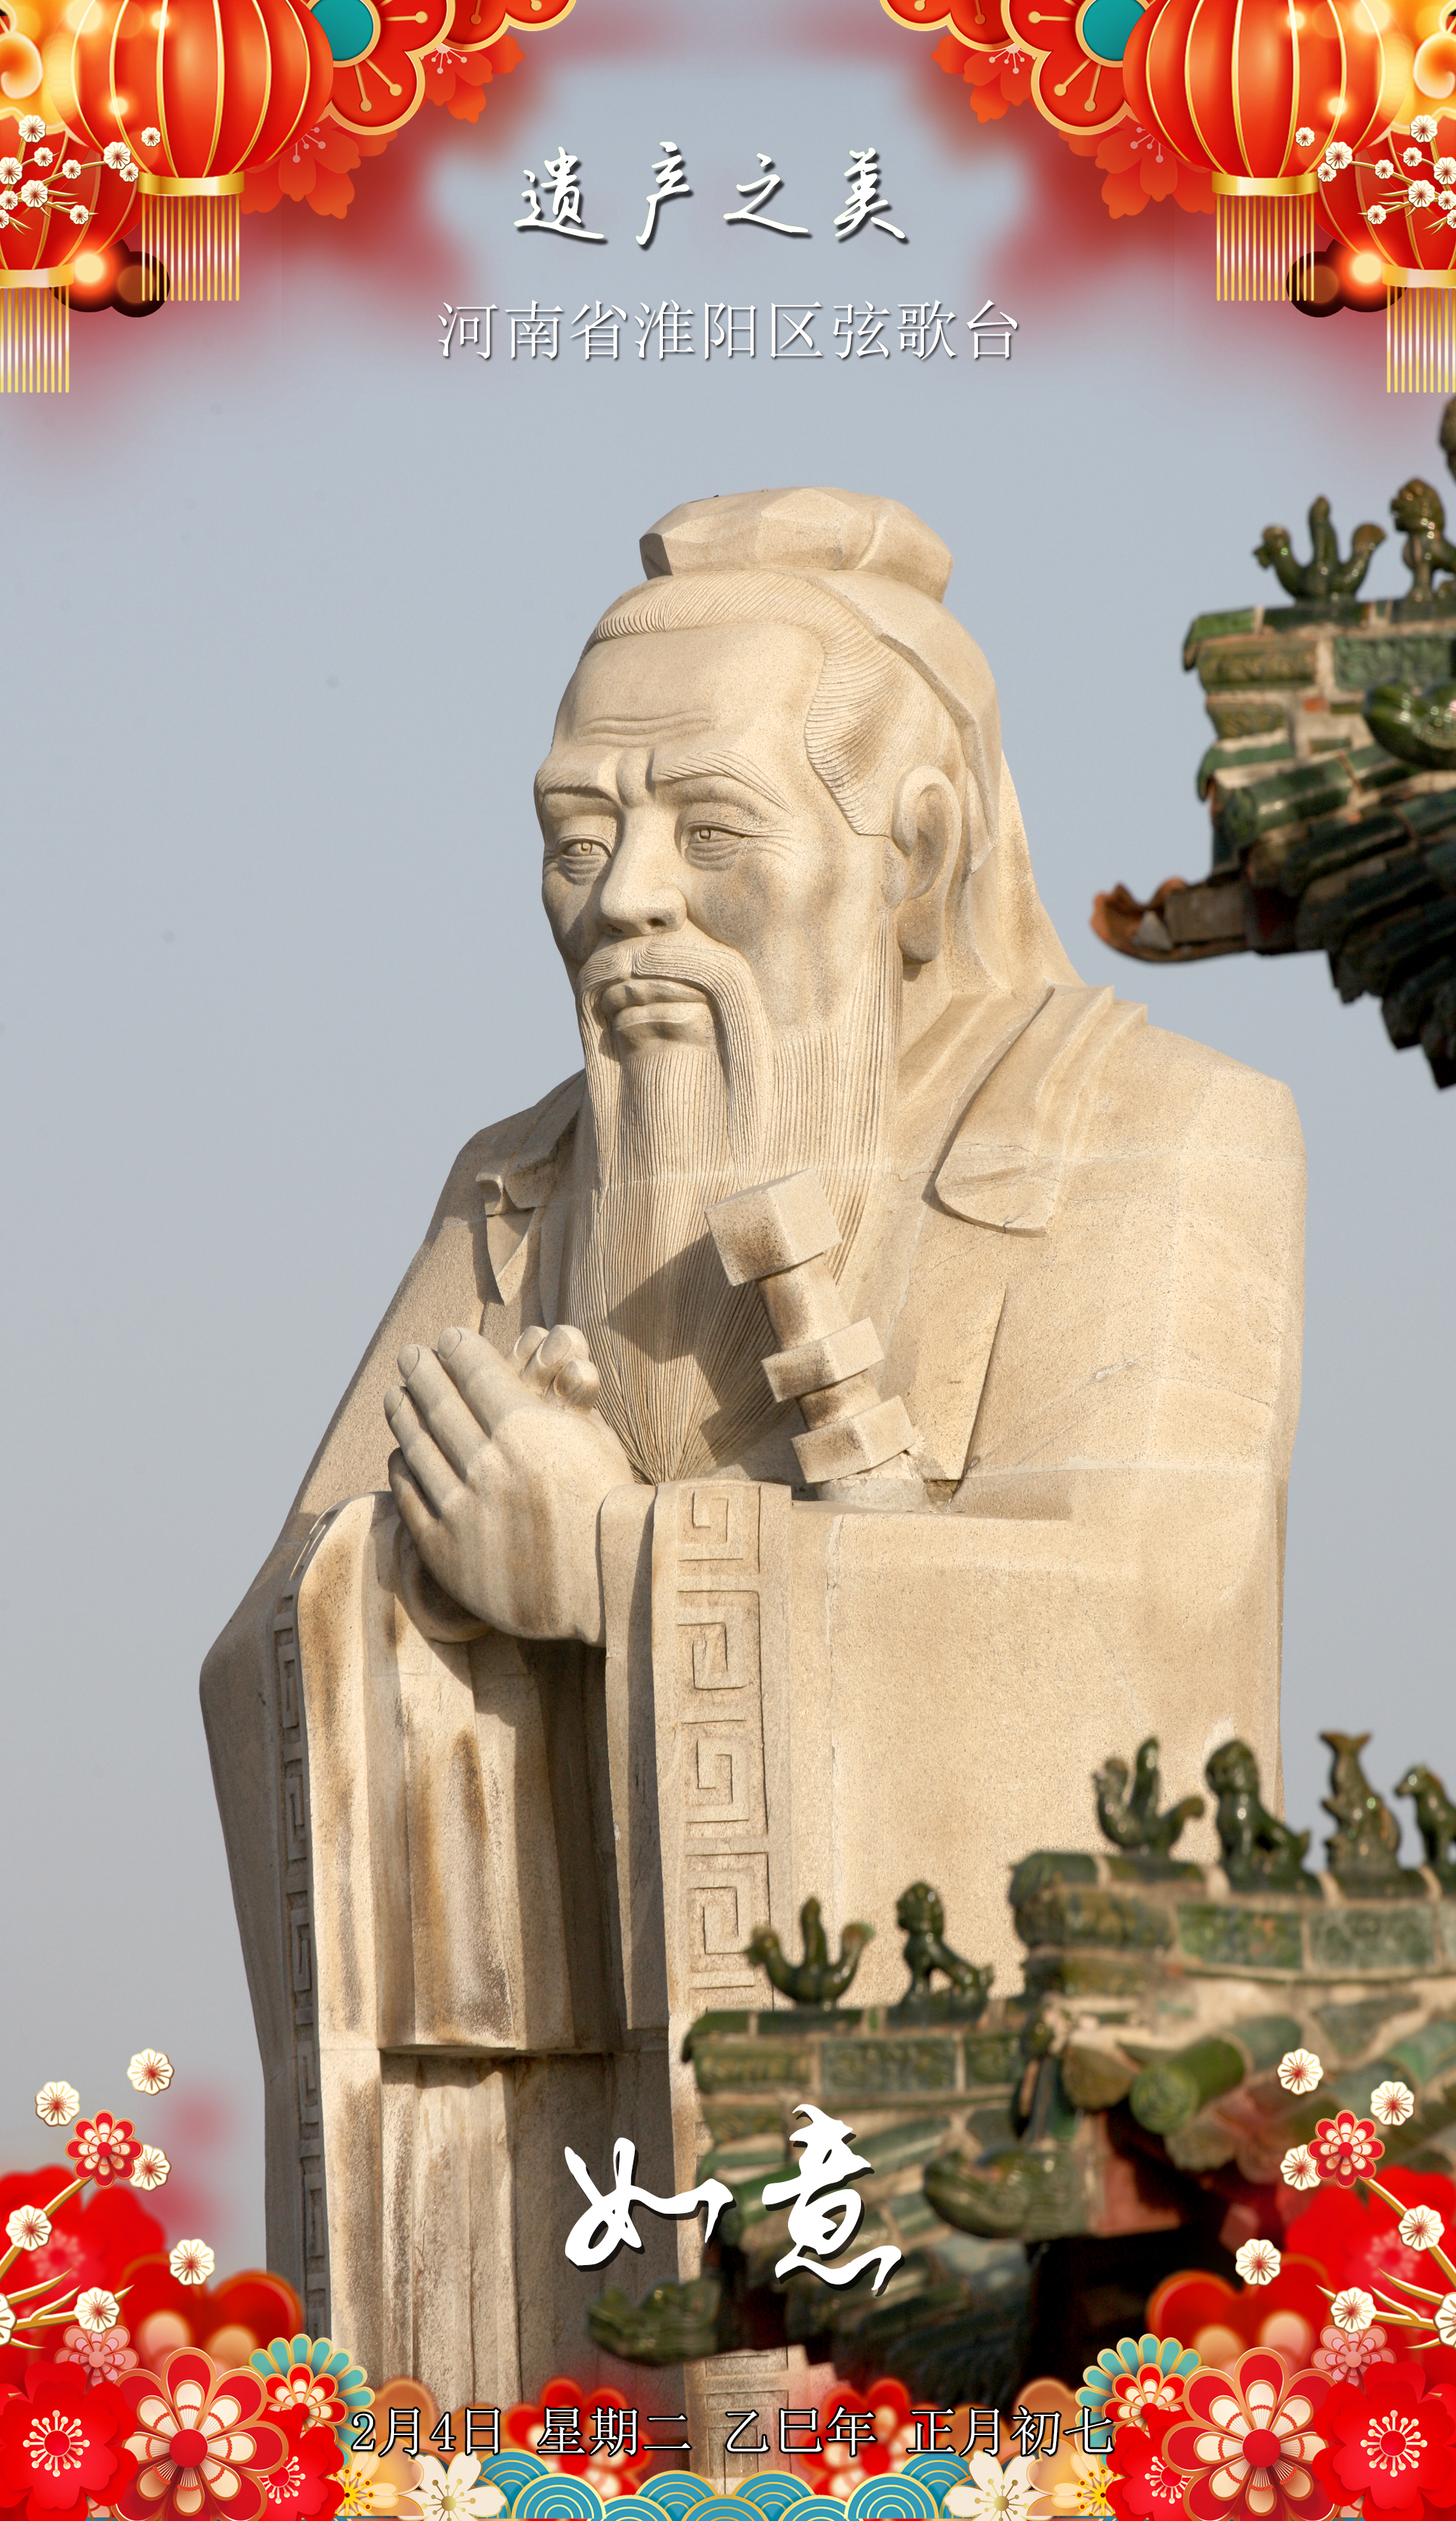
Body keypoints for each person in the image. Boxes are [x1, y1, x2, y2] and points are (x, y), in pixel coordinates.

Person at [202, 486, 1303, 2428]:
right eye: (578, 836)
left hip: (956, 2154)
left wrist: (621, 1568)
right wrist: (427, 1590)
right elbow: (283, 1636)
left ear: (914, 853)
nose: (624, 897)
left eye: (712, 831)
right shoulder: (516, 1191)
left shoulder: (1148, 1130)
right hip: (578, 2160)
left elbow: (1150, 1616)